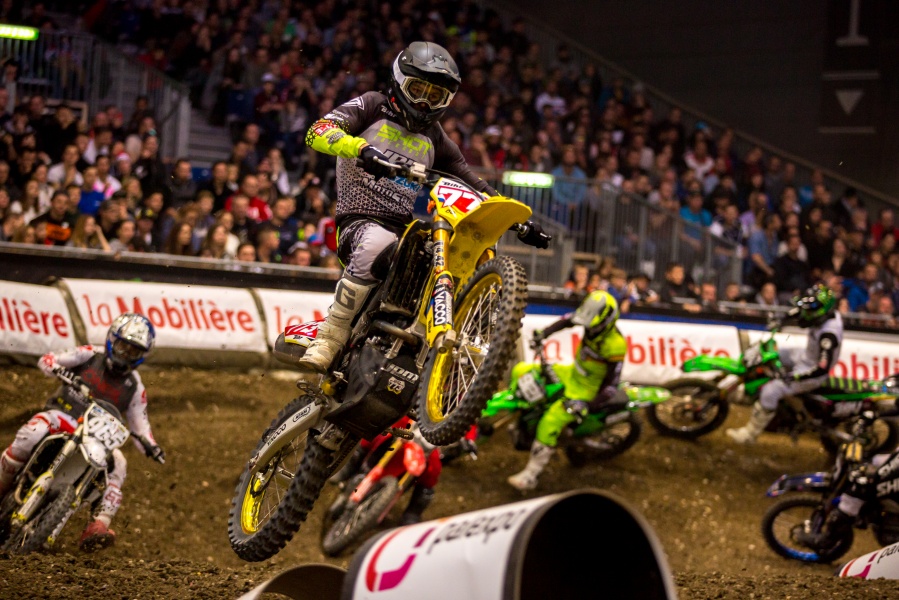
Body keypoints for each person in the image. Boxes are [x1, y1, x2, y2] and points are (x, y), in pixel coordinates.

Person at [296, 41, 549, 375]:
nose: (424, 102)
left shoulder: (436, 137)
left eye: (435, 96)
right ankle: (331, 334)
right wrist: (360, 149)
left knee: (449, 253)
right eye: (418, 90)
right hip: (359, 220)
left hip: (406, 232)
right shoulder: (372, 105)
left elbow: (474, 184)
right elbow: (318, 131)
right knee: (377, 242)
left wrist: (517, 220)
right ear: (400, 82)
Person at [0, 313, 165, 551]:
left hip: (96, 438)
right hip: (63, 416)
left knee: (119, 462)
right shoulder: (90, 354)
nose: (126, 354)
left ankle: (98, 524)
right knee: (33, 432)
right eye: (123, 347)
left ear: (142, 355)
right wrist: (60, 370)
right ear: (112, 340)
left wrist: (152, 446)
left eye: (133, 351)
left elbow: (141, 427)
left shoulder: (135, 386)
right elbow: (47, 360)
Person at [508, 291, 627, 491]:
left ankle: (530, 476)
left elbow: (611, 386)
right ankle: (521, 417)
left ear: (607, 322)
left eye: (593, 326)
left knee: (549, 422)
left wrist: (586, 404)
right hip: (571, 372)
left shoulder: (615, 346)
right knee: (522, 370)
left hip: (587, 390)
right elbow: (567, 321)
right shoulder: (589, 318)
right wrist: (543, 334)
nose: (589, 329)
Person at [726, 283, 842, 444]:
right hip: (806, 355)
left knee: (771, 390)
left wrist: (795, 377)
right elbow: (801, 310)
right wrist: (782, 319)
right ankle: (748, 390)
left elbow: (823, 367)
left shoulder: (829, 335)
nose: (806, 314)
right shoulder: (824, 314)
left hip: (812, 371)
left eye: (810, 311)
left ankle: (749, 435)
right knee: (771, 351)